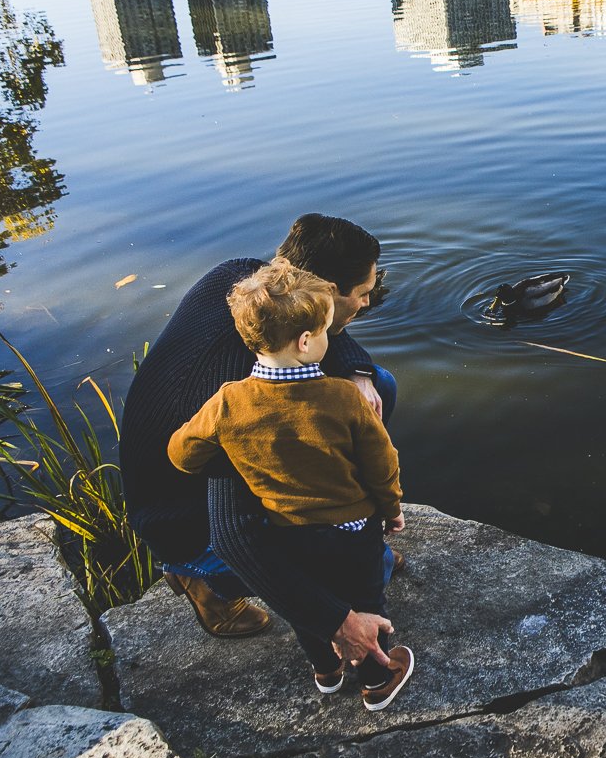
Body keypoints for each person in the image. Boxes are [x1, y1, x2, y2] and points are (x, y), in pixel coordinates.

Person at [121, 214, 396, 671]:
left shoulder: (240, 279)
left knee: (377, 387)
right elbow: (236, 537)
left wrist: (358, 370)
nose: (368, 303)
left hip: (189, 458)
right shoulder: (240, 401)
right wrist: (336, 620)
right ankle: (200, 582)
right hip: (188, 525)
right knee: (370, 572)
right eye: (362, 294)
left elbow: (330, 341)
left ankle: (350, 525)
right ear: (323, 295)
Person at [168, 259, 413, 709]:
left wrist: (223, 452)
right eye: (323, 332)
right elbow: (382, 462)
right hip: (353, 533)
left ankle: (326, 672)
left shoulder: (227, 402)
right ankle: (377, 680)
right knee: (363, 599)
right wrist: (391, 507)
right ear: (305, 341)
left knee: (310, 606)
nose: (327, 340)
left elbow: (181, 454)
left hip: (286, 536)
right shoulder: (342, 396)